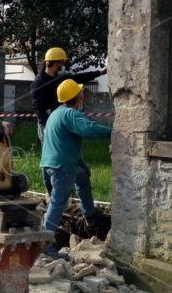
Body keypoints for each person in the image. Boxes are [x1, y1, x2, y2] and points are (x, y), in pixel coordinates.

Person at [40, 79, 111, 251]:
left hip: (48, 165)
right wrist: (114, 132)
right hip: (62, 168)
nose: (82, 97)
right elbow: (89, 129)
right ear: (77, 98)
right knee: (57, 205)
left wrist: (82, 165)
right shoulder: (71, 114)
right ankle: (45, 244)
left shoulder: (55, 114)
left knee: (82, 176)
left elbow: (65, 145)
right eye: (81, 94)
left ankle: (89, 214)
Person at [30, 47, 106, 193]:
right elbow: (38, 108)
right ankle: (51, 192)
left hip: (62, 123)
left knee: (69, 152)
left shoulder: (60, 78)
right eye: (61, 63)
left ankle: (71, 186)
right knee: (49, 160)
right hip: (47, 125)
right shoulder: (38, 83)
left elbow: (78, 78)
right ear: (54, 63)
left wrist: (100, 72)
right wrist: (46, 127)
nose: (62, 65)